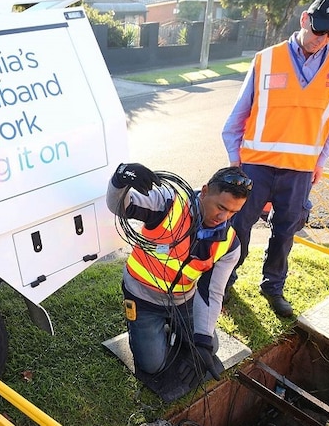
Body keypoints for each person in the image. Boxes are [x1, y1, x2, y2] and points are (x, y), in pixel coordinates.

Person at [222, 0, 329, 317]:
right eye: (318, 30)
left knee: (286, 230)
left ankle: (273, 285)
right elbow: (238, 115)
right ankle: (224, 280)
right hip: (255, 165)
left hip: (299, 169)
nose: (321, 39)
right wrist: (234, 159)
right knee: (239, 226)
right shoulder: (267, 59)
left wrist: (320, 160)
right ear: (304, 20)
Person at [107, 163, 251, 400]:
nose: (224, 217)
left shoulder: (230, 245)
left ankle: (176, 330)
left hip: (184, 301)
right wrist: (120, 179)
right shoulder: (168, 204)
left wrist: (202, 344)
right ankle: (150, 330)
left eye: (234, 213)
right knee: (152, 365)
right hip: (142, 298)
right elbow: (118, 205)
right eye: (221, 207)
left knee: (210, 346)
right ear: (204, 191)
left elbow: (211, 293)